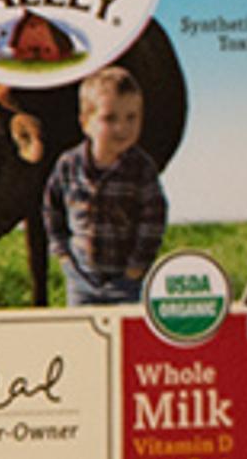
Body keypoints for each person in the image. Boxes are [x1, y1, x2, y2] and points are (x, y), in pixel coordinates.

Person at [41, 67, 168, 306]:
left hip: (125, 282)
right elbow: (52, 209)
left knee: (124, 338)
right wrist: (63, 255)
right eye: (110, 118)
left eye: (132, 118)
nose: (123, 128)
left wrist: (137, 266)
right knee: (82, 337)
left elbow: (153, 219)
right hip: (81, 279)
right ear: (85, 122)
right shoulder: (69, 165)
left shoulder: (140, 169)